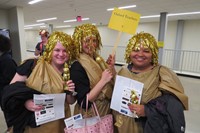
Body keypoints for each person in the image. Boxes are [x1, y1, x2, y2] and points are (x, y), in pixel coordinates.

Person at [108, 32, 188, 133]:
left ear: (153, 53)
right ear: (129, 52)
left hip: (147, 127)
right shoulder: (124, 70)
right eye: (135, 50)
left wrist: (147, 110)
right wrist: (111, 70)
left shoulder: (162, 73)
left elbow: (174, 105)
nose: (140, 54)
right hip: (121, 126)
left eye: (146, 51)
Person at [1, 31, 76, 133]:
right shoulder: (33, 65)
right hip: (34, 123)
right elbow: (11, 91)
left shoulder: (69, 71)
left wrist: (69, 91)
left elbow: (70, 101)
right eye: (57, 50)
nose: (61, 54)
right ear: (50, 50)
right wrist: (25, 103)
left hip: (59, 122)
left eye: (65, 51)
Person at [71, 24, 114, 117]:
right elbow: (84, 103)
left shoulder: (98, 59)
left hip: (105, 111)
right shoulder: (77, 66)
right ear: (79, 42)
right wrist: (103, 81)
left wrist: (110, 67)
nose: (91, 44)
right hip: (91, 116)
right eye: (86, 41)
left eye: (94, 40)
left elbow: (111, 83)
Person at [0, 34, 17, 133]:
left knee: (12, 122)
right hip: (5, 98)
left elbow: (12, 82)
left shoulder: (6, 61)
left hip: (10, 99)